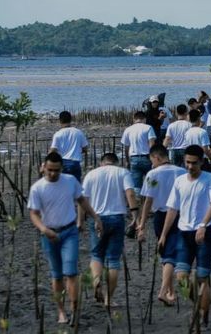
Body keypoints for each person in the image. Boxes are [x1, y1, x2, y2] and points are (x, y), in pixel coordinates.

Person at [28, 152, 101, 325]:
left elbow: (82, 200)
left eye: (57, 170)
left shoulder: (70, 181)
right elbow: (34, 214)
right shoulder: (37, 188)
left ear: (62, 169)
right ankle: (61, 311)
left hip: (69, 232)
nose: (53, 174)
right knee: (57, 275)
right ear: (44, 168)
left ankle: (74, 310)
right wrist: (44, 229)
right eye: (50, 170)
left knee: (71, 273)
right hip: (49, 234)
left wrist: (95, 217)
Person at [158, 145, 211, 327]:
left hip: (204, 233)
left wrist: (203, 224)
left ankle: (204, 314)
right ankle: (200, 303)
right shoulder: (179, 181)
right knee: (181, 277)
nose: (190, 166)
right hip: (183, 233)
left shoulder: (209, 179)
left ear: (201, 162)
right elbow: (172, 209)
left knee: (202, 277)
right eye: (187, 162)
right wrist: (163, 234)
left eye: (194, 163)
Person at [82, 153, 138, 307]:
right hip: (116, 218)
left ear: (102, 163)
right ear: (116, 162)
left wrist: (80, 221)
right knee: (113, 259)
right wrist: (135, 216)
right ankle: (109, 299)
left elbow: (83, 199)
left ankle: (96, 282)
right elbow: (130, 194)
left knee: (96, 255)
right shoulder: (123, 172)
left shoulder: (91, 174)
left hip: (97, 218)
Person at [137, 145, 186, 306]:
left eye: (152, 160)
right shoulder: (182, 172)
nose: (151, 163)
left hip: (159, 216)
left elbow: (147, 201)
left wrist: (142, 224)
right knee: (170, 255)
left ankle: (169, 292)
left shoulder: (153, 174)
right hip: (178, 215)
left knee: (167, 253)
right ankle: (165, 291)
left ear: (157, 157)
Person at [121, 111, 156, 195]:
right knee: (151, 183)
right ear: (144, 119)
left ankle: (138, 203)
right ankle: (150, 201)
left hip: (134, 159)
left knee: (136, 185)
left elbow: (126, 147)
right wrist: (153, 158)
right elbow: (152, 143)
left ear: (134, 119)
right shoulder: (148, 127)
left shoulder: (128, 129)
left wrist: (127, 161)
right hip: (147, 158)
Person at [49, 111, 89, 183]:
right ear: (71, 120)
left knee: (63, 186)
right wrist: (78, 151)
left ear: (60, 121)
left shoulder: (58, 134)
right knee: (76, 188)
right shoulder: (78, 132)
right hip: (75, 163)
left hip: (63, 163)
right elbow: (85, 148)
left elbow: (52, 151)